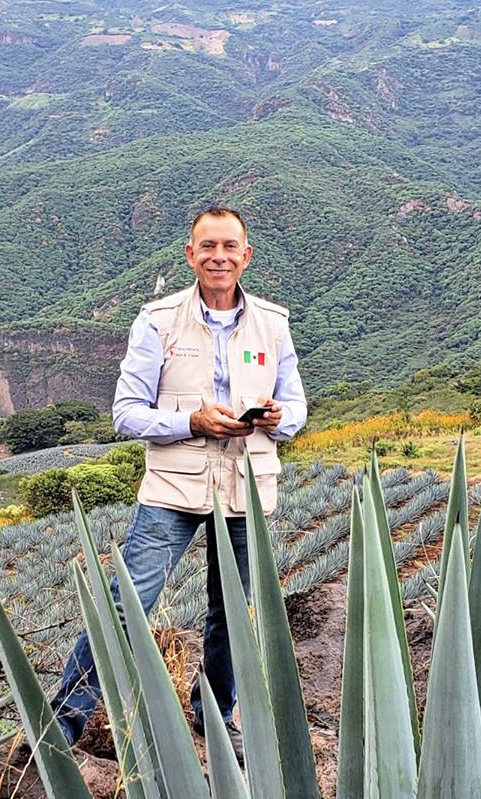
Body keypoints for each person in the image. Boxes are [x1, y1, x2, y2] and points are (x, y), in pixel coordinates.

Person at [52, 206, 307, 761]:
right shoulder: (158, 320)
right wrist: (191, 421)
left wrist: (272, 417)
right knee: (127, 604)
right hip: (174, 488)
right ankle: (64, 723)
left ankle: (215, 715)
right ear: (191, 255)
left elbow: (297, 410)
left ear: (246, 256)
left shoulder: (273, 323)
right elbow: (126, 413)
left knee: (233, 612)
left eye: (229, 247)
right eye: (207, 246)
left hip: (247, 489)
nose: (219, 256)